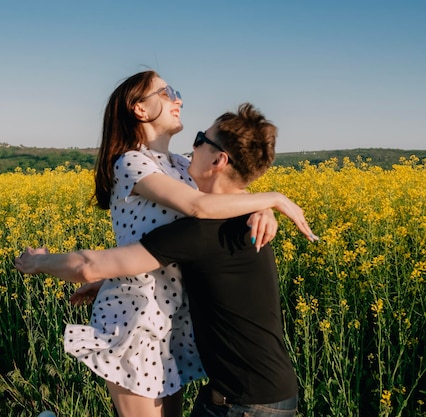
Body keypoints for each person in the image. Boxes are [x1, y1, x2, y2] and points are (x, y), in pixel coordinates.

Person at [34, 70, 315, 417]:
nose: (178, 99)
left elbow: (222, 196)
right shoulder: (133, 161)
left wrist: (260, 208)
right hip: (136, 316)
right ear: (138, 108)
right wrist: (272, 199)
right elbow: (200, 209)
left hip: (172, 318)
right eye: (167, 93)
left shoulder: (181, 166)